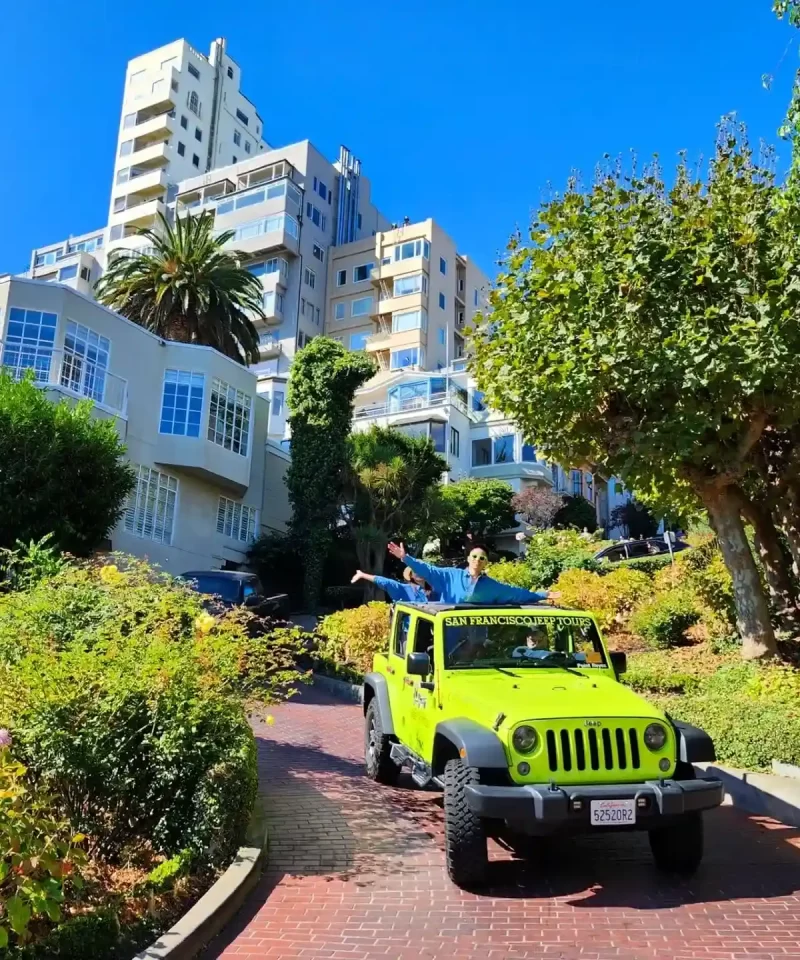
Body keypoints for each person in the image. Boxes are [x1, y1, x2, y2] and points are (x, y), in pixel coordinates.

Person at [387, 542, 561, 605]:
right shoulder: (451, 575)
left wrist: (543, 594)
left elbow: (517, 594)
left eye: (482, 558)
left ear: (486, 562)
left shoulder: (491, 586)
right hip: (448, 636)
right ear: (469, 558)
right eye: (475, 556)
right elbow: (428, 570)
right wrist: (406, 558)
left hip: (475, 642)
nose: (478, 560)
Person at [350, 566, 435, 603]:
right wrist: (362, 575)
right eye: (415, 571)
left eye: (421, 570)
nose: (418, 573)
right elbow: (387, 582)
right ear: (411, 576)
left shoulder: (434, 589)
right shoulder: (404, 589)